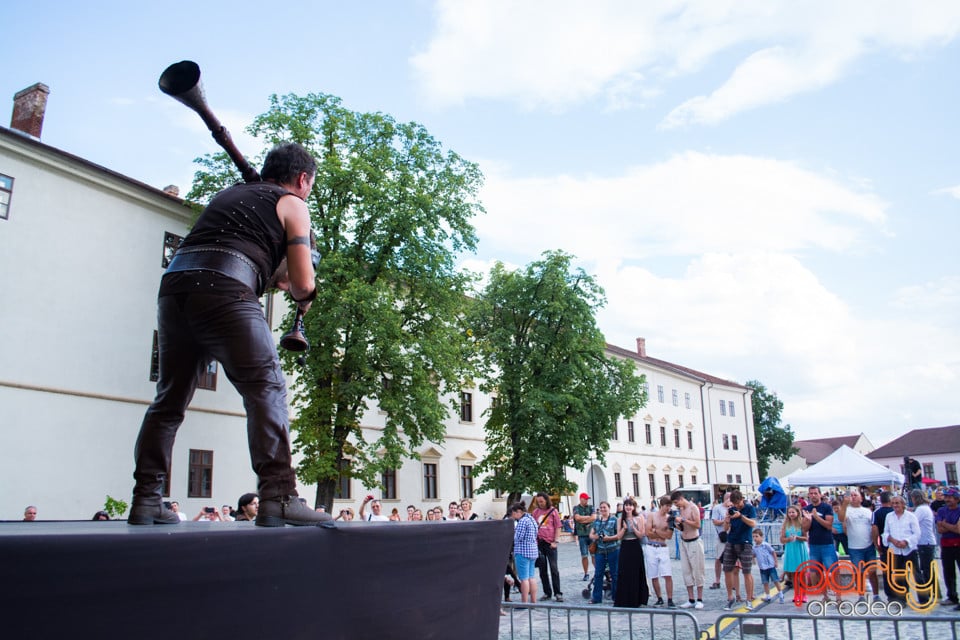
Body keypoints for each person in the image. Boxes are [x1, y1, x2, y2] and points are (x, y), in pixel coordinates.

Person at [128, 143, 331, 528]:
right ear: (303, 179)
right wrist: (307, 288)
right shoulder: (293, 204)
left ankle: (146, 500)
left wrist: (280, 276)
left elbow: (267, 270)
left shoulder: (227, 196)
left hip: (175, 288)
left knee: (168, 400)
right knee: (266, 389)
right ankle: (279, 496)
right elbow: (302, 284)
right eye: (310, 184)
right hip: (226, 290)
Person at [838, 489, 880, 602]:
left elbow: (874, 527)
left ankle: (876, 595)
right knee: (858, 572)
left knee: (872, 572)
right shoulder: (847, 510)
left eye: (855, 495)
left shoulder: (868, 512)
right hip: (855, 547)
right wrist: (844, 504)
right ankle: (861, 596)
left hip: (869, 546)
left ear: (861, 498)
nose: (853, 497)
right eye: (851, 495)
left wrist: (876, 542)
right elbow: (841, 518)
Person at [722, 489, 757, 611]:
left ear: (742, 500)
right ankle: (730, 597)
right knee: (727, 569)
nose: (736, 506)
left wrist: (741, 516)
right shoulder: (731, 510)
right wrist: (727, 519)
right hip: (732, 541)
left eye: (738, 504)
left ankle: (749, 599)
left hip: (745, 542)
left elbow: (753, 523)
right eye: (734, 504)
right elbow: (725, 528)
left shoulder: (749, 508)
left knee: (746, 572)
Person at [882, 495, 920, 605]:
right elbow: (886, 532)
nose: (895, 505)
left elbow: (917, 533)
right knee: (899, 575)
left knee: (916, 574)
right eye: (893, 503)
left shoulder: (911, 516)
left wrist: (906, 541)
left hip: (909, 549)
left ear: (903, 504)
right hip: (895, 549)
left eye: (897, 503)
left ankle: (923, 599)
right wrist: (892, 540)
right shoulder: (889, 516)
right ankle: (902, 599)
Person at [671, 490, 706, 609]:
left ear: (681, 499)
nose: (677, 505)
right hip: (684, 541)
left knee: (697, 570)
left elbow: (697, 524)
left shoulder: (693, 508)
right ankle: (691, 599)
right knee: (686, 571)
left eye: (677, 502)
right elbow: (682, 527)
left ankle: (700, 598)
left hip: (694, 541)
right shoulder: (681, 510)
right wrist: (676, 524)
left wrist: (684, 520)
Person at [613, 497, 649, 607]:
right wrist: (624, 528)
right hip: (625, 546)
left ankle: (638, 598)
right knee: (624, 572)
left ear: (633, 507)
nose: (628, 507)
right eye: (626, 505)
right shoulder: (620, 519)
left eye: (630, 505)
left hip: (635, 545)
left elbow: (641, 535)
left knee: (636, 572)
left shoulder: (639, 518)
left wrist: (633, 527)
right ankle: (624, 599)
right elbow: (619, 536)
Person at [645, 497, 676, 607]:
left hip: (662, 547)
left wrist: (656, 531)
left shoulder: (669, 518)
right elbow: (648, 532)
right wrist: (660, 532)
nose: (668, 508)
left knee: (667, 574)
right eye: (666, 506)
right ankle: (659, 598)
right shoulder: (652, 516)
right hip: (651, 546)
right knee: (653, 574)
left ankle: (670, 599)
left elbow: (669, 536)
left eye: (669, 506)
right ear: (661, 505)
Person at [532, 492, 563, 602]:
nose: (540, 503)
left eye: (542, 501)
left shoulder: (553, 511)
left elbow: (558, 527)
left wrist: (556, 541)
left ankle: (558, 593)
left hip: (550, 543)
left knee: (554, 568)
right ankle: (547, 592)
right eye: (538, 501)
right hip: (539, 543)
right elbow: (533, 527)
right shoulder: (535, 512)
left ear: (546, 500)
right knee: (542, 569)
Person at [802, 486, 838, 578]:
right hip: (814, 544)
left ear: (820, 495)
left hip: (827, 543)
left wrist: (817, 517)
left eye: (815, 493)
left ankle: (836, 590)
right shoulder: (806, 508)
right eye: (811, 493)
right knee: (815, 571)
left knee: (832, 570)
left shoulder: (827, 507)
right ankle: (821, 591)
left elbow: (829, 525)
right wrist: (809, 520)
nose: (813, 495)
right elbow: (804, 529)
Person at [588, 501, 620, 604]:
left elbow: (618, 535)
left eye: (604, 507)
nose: (602, 509)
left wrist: (609, 538)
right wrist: (596, 536)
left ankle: (616, 596)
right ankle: (596, 597)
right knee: (598, 573)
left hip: (612, 549)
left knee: (614, 574)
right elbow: (591, 534)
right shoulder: (597, 521)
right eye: (601, 508)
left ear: (609, 508)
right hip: (600, 550)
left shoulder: (614, 520)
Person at [910, 489, 936, 606]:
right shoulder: (925, 508)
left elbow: (912, 521)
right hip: (926, 542)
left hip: (925, 542)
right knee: (927, 569)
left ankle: (929, 593)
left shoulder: (921, 510)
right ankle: (932, 592)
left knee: (926, 570)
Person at [935, 487, 960, 610]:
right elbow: (939, 529)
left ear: (956, 499)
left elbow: (958, 529)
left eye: (950, 497)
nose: (947, 499)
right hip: (946, 545)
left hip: (958, 544)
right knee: (948, 572)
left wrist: (944, 524)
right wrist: (952, 526)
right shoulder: (941, 510)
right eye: (946, 497)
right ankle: (952, 596)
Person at [510, 501, 539, 604]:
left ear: (518, 512)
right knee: (532, 577)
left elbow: (518, 537)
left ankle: (524, 602)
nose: (513, 516)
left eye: (513, 514)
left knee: (524, 578)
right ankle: (534, 601)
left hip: (523, 551)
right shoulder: (532, 519)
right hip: (533, 551)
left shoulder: (523, 521)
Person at [872, 491, 895, 600]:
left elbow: (875, 529)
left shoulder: (877, 513)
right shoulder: (895, 511)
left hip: (884, 545)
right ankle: (901, 593)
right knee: (899, 570)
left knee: (887, 571)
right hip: (896, 545)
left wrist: (876, 544)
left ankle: (890, 595)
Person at [780, 505, 808, 597]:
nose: (791, 514)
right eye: (789, 512)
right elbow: (782, 539)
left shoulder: (801, 523)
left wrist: (797, 537)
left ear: (797, 513)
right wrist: (788, 539)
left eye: (793, 512)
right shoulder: (785, 524)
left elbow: (806, 538)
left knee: (802, 573)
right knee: (793, 574)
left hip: (800, 549)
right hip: (790, 550)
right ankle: (796, 594)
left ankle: (804, 594)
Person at [753, 528, 783, 603]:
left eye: (756, 536)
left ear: (761, 537)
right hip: (762, 567)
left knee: (775, 580)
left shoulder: (766, 545)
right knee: (765, 582)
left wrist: (775, 562)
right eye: (753, 537)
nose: (755, 538)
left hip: (770, 566)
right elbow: (754, 555)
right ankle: (768, 595)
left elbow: (773, 552)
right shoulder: (754, 548)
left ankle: (781, 594)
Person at [572, 492, 596, 581]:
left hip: (591, 534)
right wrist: (588, 518)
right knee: (584, 555)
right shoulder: (576, 508)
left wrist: (583, 520)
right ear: (581, 499)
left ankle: (597, 571)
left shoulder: (591, 507)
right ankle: (586, 573)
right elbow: (577, 518)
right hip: (582, 535)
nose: (587, 501)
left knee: (594, 554)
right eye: (585, 499)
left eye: (587, 499)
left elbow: (594, 517)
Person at [709, 493, 730, 589]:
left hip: (732, 535)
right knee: (718, 558)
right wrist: (726, 520)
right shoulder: (717, 508)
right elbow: (715, 521)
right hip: (721, 535)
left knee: (733, 559)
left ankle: (732, 581)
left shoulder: (733, 507)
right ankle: (717, 580)